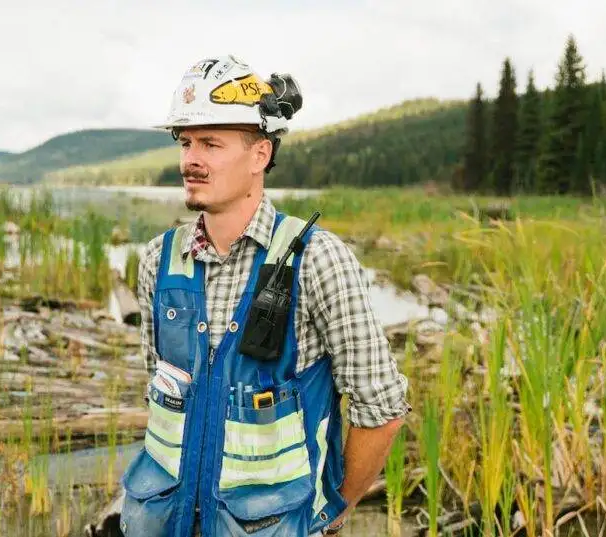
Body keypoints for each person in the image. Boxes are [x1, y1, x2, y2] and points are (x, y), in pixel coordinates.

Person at [118, 55, 411, 537]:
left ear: (260, 156)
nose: (191, 159)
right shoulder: (158, 260)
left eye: (211, 143)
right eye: (186, 142)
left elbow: (381, 409)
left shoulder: (318, 261)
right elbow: (161, 391)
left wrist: (333, 511)